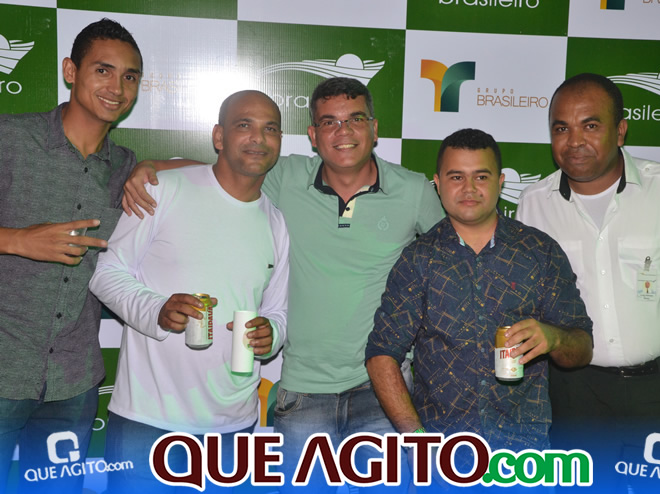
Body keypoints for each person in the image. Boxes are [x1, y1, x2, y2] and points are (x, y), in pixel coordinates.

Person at [116, 77, 443, 491]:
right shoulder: (283, 178)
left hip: (381, 390)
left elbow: (453, 264)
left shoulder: (414, 190)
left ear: (375, 129)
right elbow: (219, 172)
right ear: (313, 136)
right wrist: (150, 167)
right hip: (303, 393)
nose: (343, 131)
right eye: (329, 122)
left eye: (355, 119)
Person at [516, 73, 660, 493]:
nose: (574, 140)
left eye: (590, 125)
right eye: (561, 128)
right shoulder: (534, 204)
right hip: (574, 396)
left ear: (620, 131)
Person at [365, 128, 593, 484]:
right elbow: (382, 354)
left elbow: (582, 347)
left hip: (524, 456)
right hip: (443, 459)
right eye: (456, 177)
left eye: (481, 177)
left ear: (500, 182)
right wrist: (416, 441)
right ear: (437, 184)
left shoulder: (539, 251)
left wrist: (555, 338)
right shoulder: (418, 260)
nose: (469, 188)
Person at [88, 90, 289, 492]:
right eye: (244, 125)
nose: (258, 137)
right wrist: (157, 309)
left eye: (270, 129)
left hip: (234, 428)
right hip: (148, 421)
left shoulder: (276, 222)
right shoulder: (163, 189)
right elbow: (106, 273)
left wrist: (271, 334)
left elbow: (278, 312)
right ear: (219, 137)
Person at [0, 19, 142, 494]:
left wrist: (152, 164)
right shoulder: (9, 138)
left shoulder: (124, 166)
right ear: (69, 71)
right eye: (103, 70)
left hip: (73, 382)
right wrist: (15, 240)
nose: (117, 87)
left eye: (129, 76)